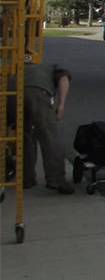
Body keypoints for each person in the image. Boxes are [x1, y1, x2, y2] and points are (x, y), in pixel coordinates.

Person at [23, 62, 74, 194]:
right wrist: (61, 105)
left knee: (24, 135)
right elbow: (63, 79)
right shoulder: (53, 67)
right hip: (37, 92)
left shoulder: (16, 64)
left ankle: (26, 178)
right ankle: (56, 180)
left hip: (12, 91)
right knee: (49, 136)